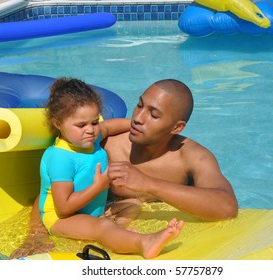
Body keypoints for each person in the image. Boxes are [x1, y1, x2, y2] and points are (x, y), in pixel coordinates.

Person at [9, 79, 237, 259]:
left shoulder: (192, 158)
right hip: (80, 224)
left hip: (115, 225)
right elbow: (50, 188)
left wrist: (148, 185)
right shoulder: (104, 142)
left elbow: (226, 207)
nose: (138, 118)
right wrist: (35, 235)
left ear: (176, 127)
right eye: (139, 105)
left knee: (133, 205)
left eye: (153, 114)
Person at [35, 78, 184, 259]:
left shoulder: (89, 140)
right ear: (58, 123)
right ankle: (143, 243)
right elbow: (64, 207)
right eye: (81, 125)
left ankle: (118, 235)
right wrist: (98, 186)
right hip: (62, 219)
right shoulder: (61, 158)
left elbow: (110, 126)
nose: (90, 129)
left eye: (94, 122)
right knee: (103, 227)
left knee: (133, 204)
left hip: (91, 212)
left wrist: (143, 125)